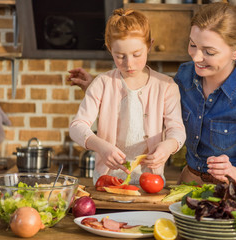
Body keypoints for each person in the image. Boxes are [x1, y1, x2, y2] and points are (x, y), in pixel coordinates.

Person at [68, 3, 236, 202]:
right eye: (193, 45)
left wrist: (231, 171)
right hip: (187, 188)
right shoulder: (185, 76)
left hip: (233, 194)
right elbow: (147, 96)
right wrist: (97, 89)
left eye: (209, 52)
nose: (196, 57)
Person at [69, 8, 186, 185]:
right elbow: (76, 127)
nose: (129, 63)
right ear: (110, 49)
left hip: (150, 181)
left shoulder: (166, 86)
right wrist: (101, 146)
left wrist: (167, 147)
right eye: (120, 56)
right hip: (108, 179)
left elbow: (177, 130)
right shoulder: (102, 83)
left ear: (150, 45)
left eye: (137, 54)